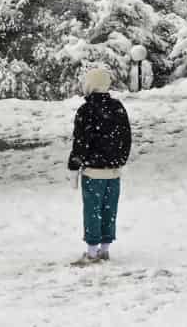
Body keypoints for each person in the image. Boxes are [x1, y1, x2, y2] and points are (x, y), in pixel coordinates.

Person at [67, 68, 131, 265]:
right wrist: (120, 160)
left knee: (92, 210)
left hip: (93, 172)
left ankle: (92, 252)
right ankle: (105, 249)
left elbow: (80, 142)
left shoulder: (86, 111)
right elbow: (126, 138)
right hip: (113, 172)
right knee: (109, 210)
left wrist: (73, 166)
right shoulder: (118, 107)